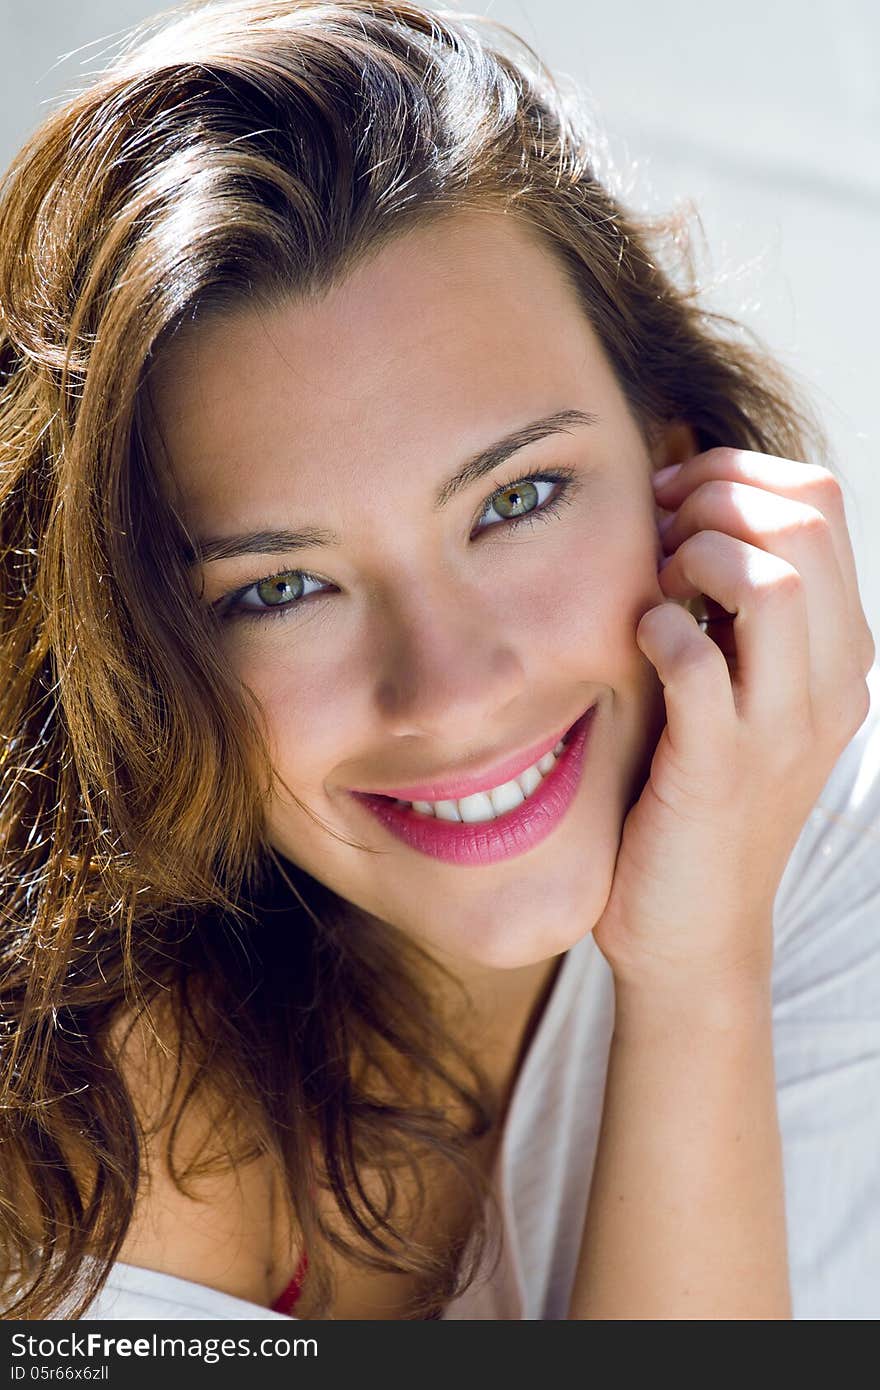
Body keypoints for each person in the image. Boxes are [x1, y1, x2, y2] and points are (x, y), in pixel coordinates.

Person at [0, 0, 877, 1323]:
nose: (453, 689)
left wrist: (699, 965)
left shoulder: (814, 841)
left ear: (673, 454)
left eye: (515, 500)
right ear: (139, 650)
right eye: (284, 587)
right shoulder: (63, 1118)